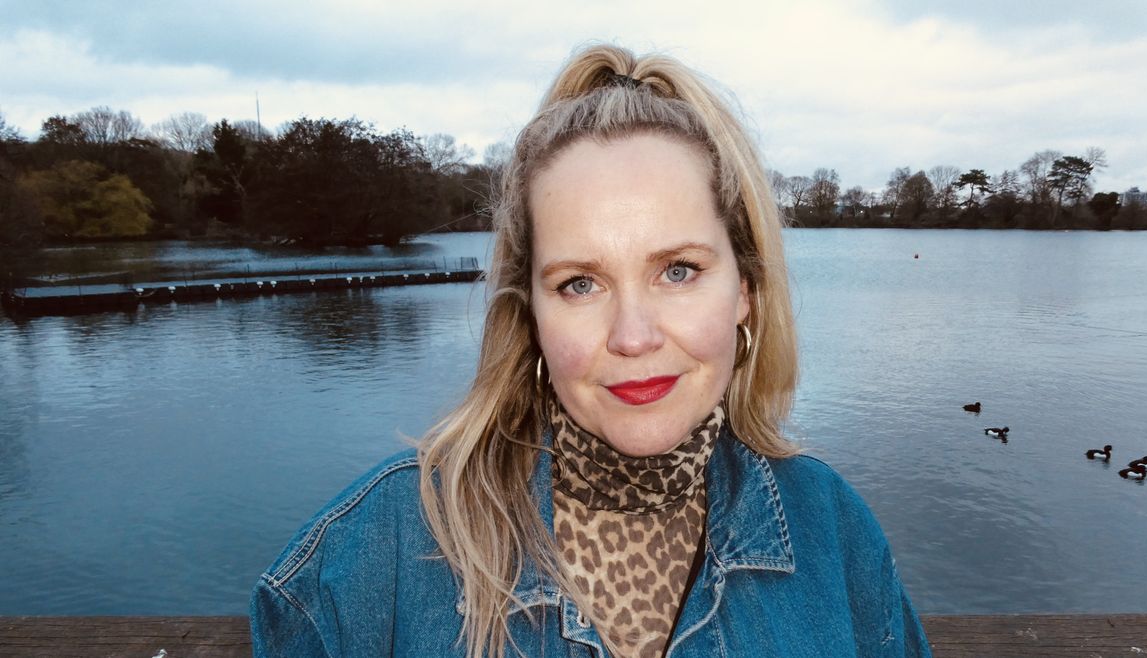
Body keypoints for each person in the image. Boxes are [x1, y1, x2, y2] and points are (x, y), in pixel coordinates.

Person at [251, 44, 931, 658]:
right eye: (580, 283)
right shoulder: (380, 549)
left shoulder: (830, 528)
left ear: (745, 291)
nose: (633, 336)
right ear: (532, 314)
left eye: (679, 270)